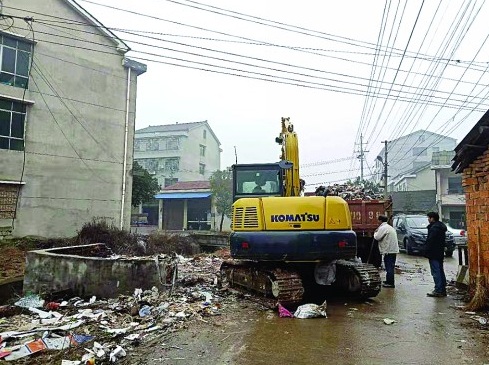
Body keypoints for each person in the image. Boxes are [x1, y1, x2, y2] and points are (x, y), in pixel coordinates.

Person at [425, 212, 447, 297]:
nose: (428, 219)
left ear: (432, 218)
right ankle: (442, 289)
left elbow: (430, 241)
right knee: (440, 270)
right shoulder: (440, 227)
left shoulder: (434, 228)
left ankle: (438, 290)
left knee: (435, 271)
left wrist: (426, 250)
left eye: (429, 218)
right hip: (439, 252)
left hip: (433, 253)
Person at [373, 215, 399, 288]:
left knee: (389, 267)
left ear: (380, 221)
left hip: (389, 250)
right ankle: (388, 281)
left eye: (378, 220)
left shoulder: (383, 228)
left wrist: (375, 232)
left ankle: (390, 283)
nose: (377, 222)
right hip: (392, 250)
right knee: (390, 266)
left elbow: (377, 237)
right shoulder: (389, 227)